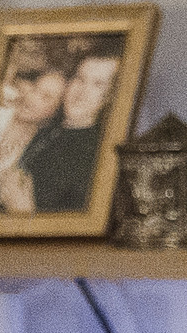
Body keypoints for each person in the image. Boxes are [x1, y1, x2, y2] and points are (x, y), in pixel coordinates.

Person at [17, 39, 128, 217]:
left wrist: (22, 212)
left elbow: (77, 232)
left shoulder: (98, 155)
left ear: (110, 97)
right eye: (80, 78)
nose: (82, 91)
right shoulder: (49, 127)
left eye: (98, 85)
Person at [0, 42, 68, 213]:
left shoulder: (35, 152)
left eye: (45, 97)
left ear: (54, 113)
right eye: (35, 87)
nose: (32, 97)